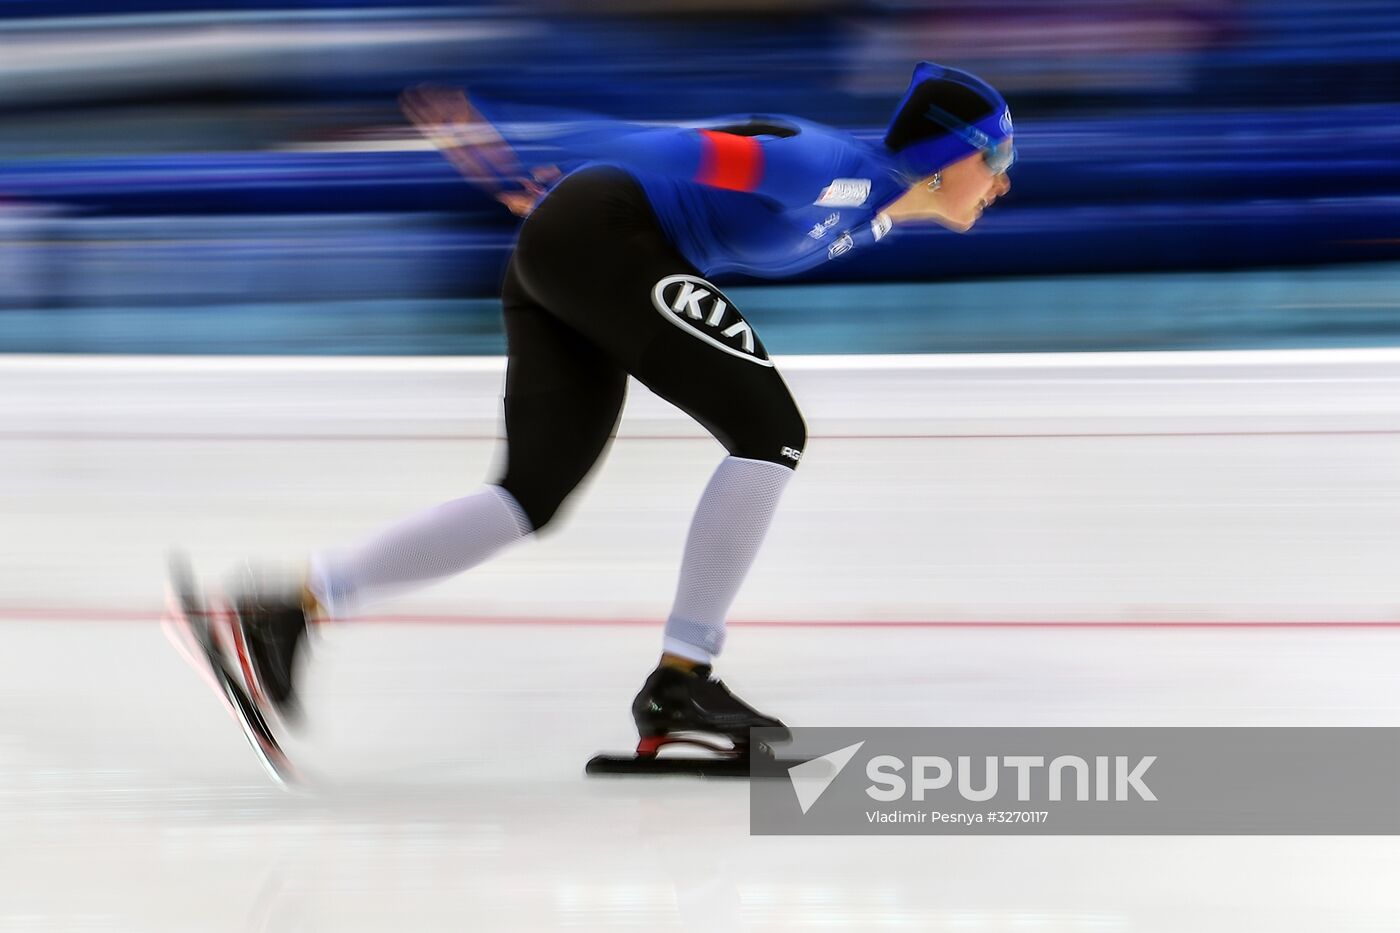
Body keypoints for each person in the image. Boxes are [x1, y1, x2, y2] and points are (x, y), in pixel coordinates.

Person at [231, 61, 1015, 761]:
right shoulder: (830, 170)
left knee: (529, 495)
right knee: (771, 433)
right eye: (999, 161)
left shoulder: (876, 211)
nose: (1004, 184)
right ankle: (683, 679)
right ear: (952, 156)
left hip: (581, 244)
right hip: (600, 234)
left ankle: (288, 607)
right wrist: (549, 148)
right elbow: (682, 148)